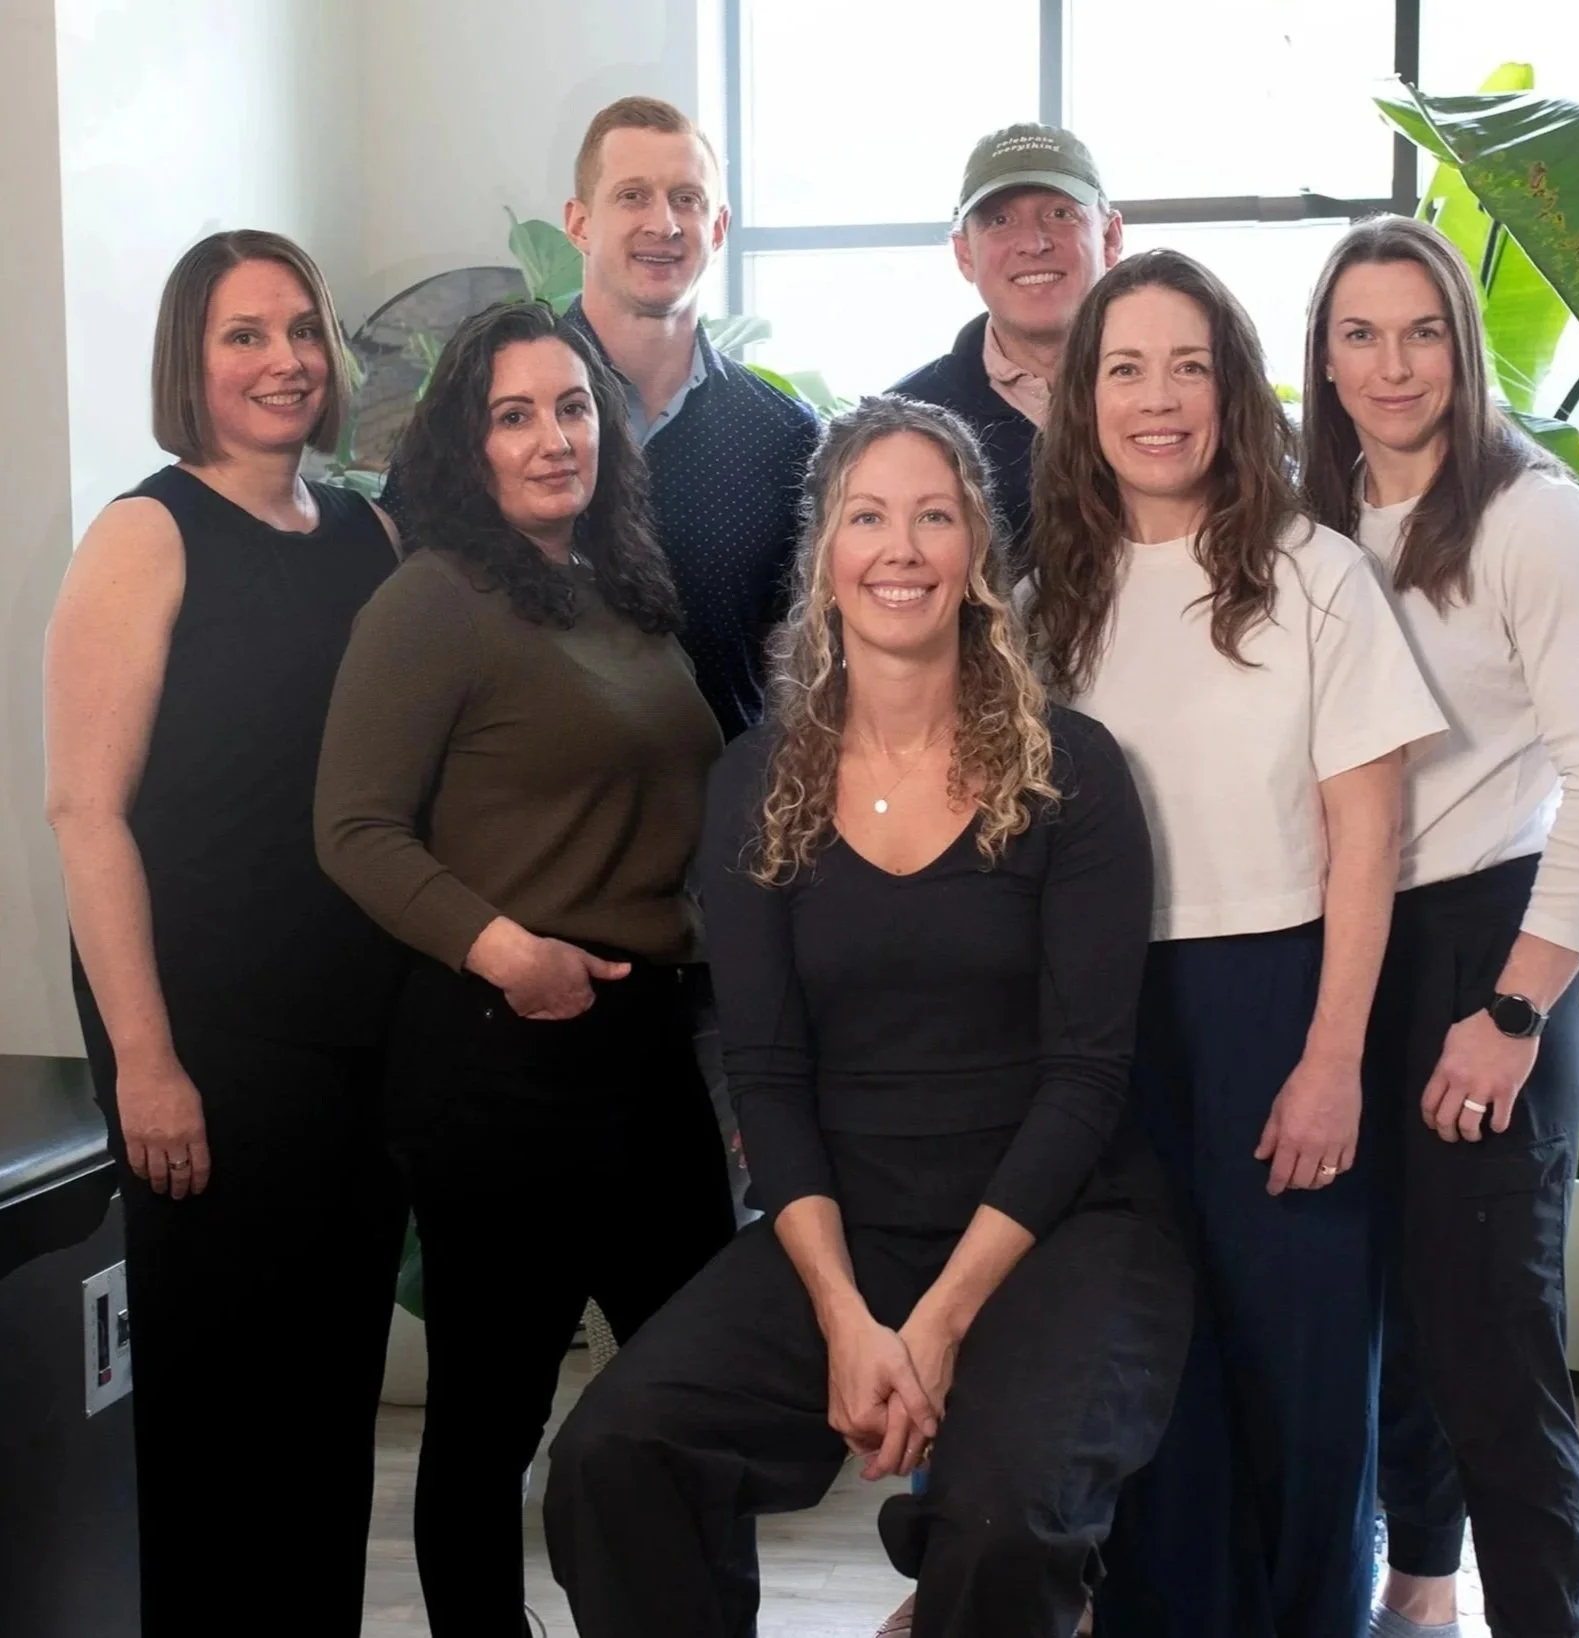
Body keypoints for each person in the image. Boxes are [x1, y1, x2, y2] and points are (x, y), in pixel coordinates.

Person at [542, 395, 1194, 1638]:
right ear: (825, 557)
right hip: (853, 1223)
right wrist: (849, 1320)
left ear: (976, 558)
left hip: (1064, 1227)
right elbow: (769, 1076)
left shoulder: (1074, 770)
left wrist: (935, 1325)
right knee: (614, 1456)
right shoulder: (756, 782)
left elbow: (1085, 1078)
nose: (900, 548)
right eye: (869, 516)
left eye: (933, 517)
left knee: (1002, 1525)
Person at [1029, 248, 1447, 1638]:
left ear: (1234, 387)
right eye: (1125, 367)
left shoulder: (1308, 570)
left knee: (1304, 1355)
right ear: (1084, 394)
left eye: (1189, 365)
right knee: (1154, 1363)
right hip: (1104, 1020)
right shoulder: (1045, 604)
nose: (1158, 399)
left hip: (1282, 997)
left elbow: (1365, 841)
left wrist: (1332, 1057)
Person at [314, 301, 735, 1633]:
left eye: (570, 407)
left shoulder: (627, 585)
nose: (551, 438)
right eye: (514, 414)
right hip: (500, 1055)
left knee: (696, 1403)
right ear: (468, 442)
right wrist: (508, 952)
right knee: (488, 1422)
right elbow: (352, 827)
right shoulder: (431, 597)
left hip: (646, 1055)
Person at [1298, 215, 1579, 1638]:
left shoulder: (1537, 518)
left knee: (1489, 1343)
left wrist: (1512, 1009)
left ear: (1461, 343)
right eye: (1357, 334)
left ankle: (1541, 1616)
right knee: (1386, 1304)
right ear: (1320, 360)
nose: (1392, 365)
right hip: (1347, 943)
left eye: (1420, 330)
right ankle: (1419, 1581)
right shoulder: (1310, 518)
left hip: (1491, 944)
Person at [43, 230, 406, 1637]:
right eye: (245, 336)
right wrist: (146, 1060)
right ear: (190, 362)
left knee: (327, 1406)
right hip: (206, 1041)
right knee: (214, 1411)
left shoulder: (366, 534)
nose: (284, 361)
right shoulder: (146, 533)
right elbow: (86, 811)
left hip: (355, 1041)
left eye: (301, 331)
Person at [382, 95, 817, 741]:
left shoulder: (783, 434)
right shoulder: (483, 402)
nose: (663, 224)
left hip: (727, 815)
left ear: (719, 227)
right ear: (579, 224)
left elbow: (797, 652)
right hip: (533, 815)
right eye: (633, 196)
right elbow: (411, 614)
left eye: (687, 199)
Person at [890, 122, 1124, 555]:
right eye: (999, 220)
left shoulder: (1177, 404)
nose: (1033, 244)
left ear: (1110, 238)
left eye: (1059, 214)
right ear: (965, 254)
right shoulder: (904, 424)